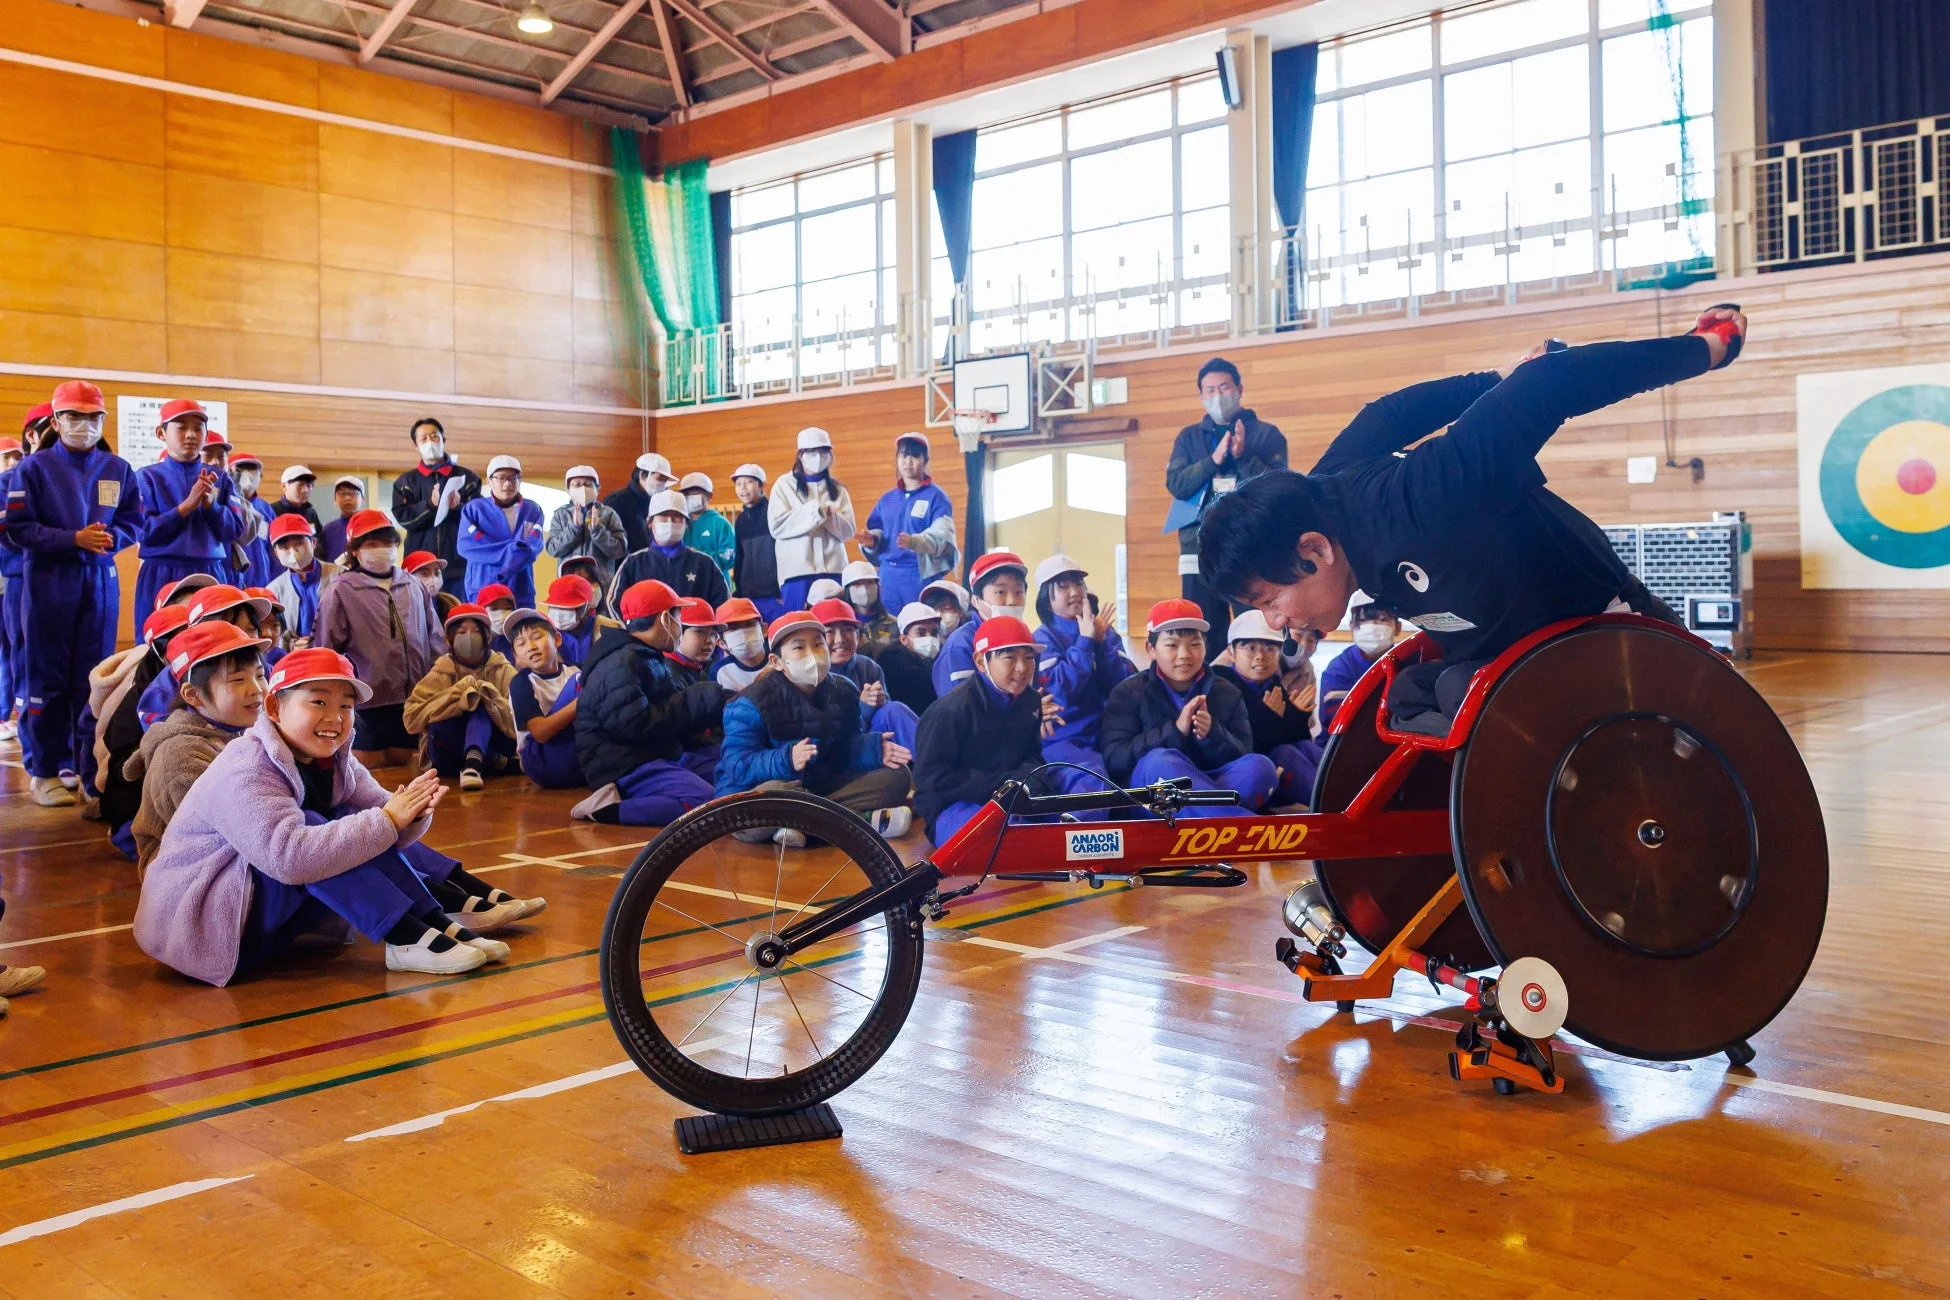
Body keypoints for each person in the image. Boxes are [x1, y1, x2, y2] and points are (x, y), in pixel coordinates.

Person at [1199, 309, 1749, 734]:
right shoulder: (1321, 492)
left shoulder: (1425, 495)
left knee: (1462, 691)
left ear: (1315, 551)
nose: (1273, 621)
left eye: (1268, 600)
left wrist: (1706, 348)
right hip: (1500, 653)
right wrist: (1494, 380)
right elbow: (1384, 416)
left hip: (1599, 626)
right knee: (1405, 695)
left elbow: (1552, 382)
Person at [133, 648, 504, 983]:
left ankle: (431, 920)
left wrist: (412, 813)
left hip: (258, 906)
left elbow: (383, 819)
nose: (335, 717)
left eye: (345, 706)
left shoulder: (334, 758)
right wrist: (388, 820)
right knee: (318, 827)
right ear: (275, 708)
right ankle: (406, 936)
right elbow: (290, 857)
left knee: (353, 819)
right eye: (318, 702)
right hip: (204, 922)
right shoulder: (246, 766)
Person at [6, 381, 143, 807]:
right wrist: (72, 539)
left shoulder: (117, 468)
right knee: (46, 677)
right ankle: (44, 770)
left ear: (103, 420)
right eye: (74, 416)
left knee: (93, 680)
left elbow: (134, 521)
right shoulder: (34, 468)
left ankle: (86, 769)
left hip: (100, 582)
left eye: (92, 416)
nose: (84, 424)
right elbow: (18, 528)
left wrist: (111, 539)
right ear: (56, 420)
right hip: (48, 580)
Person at [714, 610, 913, 845]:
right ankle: (862, 822)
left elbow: (841, 750)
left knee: (898, 776)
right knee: (780, 793)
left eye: (818, 644)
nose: (813, 654)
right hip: (754, 796)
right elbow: (737, 764)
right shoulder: (749, 702)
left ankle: (802, 824)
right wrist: (786, 759)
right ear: (777, 661)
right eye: (799, 647)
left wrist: (873, 749)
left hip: (817, 786)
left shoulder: (844, 690)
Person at [914, 616, 1098, 845]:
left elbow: (1032, 755)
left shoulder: (1030, 701)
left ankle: (1071, 837)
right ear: (981, 662)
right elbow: (933, 782)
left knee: (1088, 780)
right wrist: (1008, 784)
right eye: (1010, 657)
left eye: (1029, 658)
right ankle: (1047, 840)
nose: (1022, 668)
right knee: (1003, 832)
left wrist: (1033, 779)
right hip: (957, 805)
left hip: (1015, 792)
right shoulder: (949, 711)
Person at [1098, 599, 1276, 816]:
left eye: (1194, 644)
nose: (1184, 654)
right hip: (1151, 794)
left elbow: (1243, 753)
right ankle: (1238, 825)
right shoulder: (1127, 693)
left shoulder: (1226, 691)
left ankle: (1201, 815)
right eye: (1172, 645)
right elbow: (1115, 759)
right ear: (1151, 649)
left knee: (1261, 767)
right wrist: (1175, 731)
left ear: (1205, 647)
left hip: (1209, 782)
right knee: (1159, 763)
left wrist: (1212, 734)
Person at [571, 579, 725, 826]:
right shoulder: (619, 662)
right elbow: (632, 725)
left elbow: (671, 714)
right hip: (624, 766)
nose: (679, 626)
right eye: (678, 617)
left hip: (655, 754)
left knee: (731, 766)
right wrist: (695, 699)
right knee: (704, 800)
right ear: (665, 618)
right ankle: (609, 809)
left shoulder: (646, 656)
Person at [127, 619, 268, 874]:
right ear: (192, 695)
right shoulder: (181, 756)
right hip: (185, 874)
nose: (256, 689)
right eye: (238, 680)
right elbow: (227, 831)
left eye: (259, 675)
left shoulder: (238, 729)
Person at [1165, 357, 1289, 641]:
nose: (1218, 396)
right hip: (1198, 547)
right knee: (1203, 628)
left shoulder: (1267, 434)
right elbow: (1177, 484)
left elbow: (1279, 488)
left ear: (1239, 389)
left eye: (1224, 388)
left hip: (1250, 545)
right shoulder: (1188, 438)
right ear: (1201, 395)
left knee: (1255, 628)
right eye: (1210, 390)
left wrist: (1243, 457)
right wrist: (1213, 460)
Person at [314, 509, 446, 770]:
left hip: (415, 697)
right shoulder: (341, 590)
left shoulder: (413, 585)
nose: (382, 550)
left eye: (387, 542)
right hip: (367, 701)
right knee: (368, 767)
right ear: (355, 551)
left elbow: (435, 638)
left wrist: (439, 680)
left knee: (408, 765)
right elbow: (326, 648)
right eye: (372, 544)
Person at [132, 399, 248, 631]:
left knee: (215, 640)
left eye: (197, 428)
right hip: (161, 571)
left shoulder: (220, 478)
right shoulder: (146, 477)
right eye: (182, 427)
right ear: (161, 433)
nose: (191, 435)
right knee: (157, 642)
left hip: (210, 571)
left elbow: (235, 530)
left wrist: (211, 506)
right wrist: (185, 507)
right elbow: (142, 532)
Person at [1031, 554, 1132, 782]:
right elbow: (1059, 693)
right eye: (1063, 586)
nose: (1074, 592)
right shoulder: (1040, 640)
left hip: (1108, 732)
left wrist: (1102, 643)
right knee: (1094, 783)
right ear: (1046, 598)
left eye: (1078, 584)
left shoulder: (1104, 631)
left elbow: (1122, 687)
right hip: (1065, 739)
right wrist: (1085, 643)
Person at [404, 603, 517, 791]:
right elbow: (411, 719)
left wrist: (490, 697)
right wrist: (455, 698)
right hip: (447, 755)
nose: (469, 637)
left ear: (488, 637)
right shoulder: (440, 672)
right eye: (462, 632)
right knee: (458, 708)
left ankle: (473, 764)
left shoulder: (503, 669)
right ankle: (494, 761)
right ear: (449, 640)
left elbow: (520, 719)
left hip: (496, 743)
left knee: (479, 702)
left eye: (476, 631)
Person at [1213, 609, 1319, 808]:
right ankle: (1333, 803)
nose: (1260, 656)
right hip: (1242, 775)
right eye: (1250, 648)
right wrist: (1269, 718)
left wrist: (1297, 715)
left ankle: (1350, 793)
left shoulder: (1272, 684)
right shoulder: (1220, 685)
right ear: (1231, 653)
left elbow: (1294, 738)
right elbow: (1236, 748)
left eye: (1270, 648)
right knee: (1284, 753)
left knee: (1305, 747)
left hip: (1275, 773)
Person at [861, 432, 957, 613]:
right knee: (887, 627)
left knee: (922, 624)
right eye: (903, 456)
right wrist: (872, 541)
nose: (908, 462)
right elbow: (878, 533)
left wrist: (915, 542)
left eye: (914, 456)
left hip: (921, 574)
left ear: (925, 460)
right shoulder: (886, 499)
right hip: (888, 576)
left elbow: (943, 536)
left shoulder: (936, 497)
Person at [813, 597, 920, 755]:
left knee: (893, 710)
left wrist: (878, 702)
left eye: (848, 630)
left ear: (858, 636)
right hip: (839, 750)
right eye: (829, 632)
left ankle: (935, 759)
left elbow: (886, 718)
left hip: (873, 737)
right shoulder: (812, 675)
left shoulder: (868, 667)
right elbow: (830, 735)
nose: (840, 639)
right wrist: (862, 708)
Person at [390, 417, 480, 598]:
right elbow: (404, 518)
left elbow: (479, 516)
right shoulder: (405, 482)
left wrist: (458, 507)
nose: (429, 442)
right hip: (419, 566)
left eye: (434, 436)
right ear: (415, 446)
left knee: (458, 611)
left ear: (443, 440)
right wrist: (430, 505)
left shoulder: (468, 478)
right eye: (423, 438)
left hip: (459, 565)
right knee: (418, 611)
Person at [769, 427, 855, 611]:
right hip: (797, 573)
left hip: (834, 570)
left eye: (823, 452)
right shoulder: (784, 485)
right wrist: (816, 512)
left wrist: (831, 518)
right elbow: (777, 526)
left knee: (835, 620)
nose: (818, 457)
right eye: (811, 452)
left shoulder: (838, 489)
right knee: (800, 621)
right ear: (800, 455)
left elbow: (848, 531)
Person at [606, 489, 730, 616]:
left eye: (677, 517)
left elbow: (724, 608)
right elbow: (614, 604)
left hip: (693, 629)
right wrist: (633, 628)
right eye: (663, 516)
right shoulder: (633, 564)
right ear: (650, 522)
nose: (670, 522)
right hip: (643, 629)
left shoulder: (705, 564)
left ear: (686, 524)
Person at [932, 551, 1029, 697]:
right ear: (976, 600)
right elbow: (960, 706)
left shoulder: (1025, 639)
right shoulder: (961, 646)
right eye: (1000, 592)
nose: (1011, 601)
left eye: (1019, 592)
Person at [506, 607, 583, 789]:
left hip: (576, 745)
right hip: (540, 758)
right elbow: (540, 733)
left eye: (537, 637)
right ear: (516, 656)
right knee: (581, 681)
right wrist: (581, 703)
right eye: (521, 643)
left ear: (556, 639)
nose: (531, 647)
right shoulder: (521, 683)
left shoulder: (576, 669)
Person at [456, 455, 544, 608]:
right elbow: (467, 546)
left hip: (521, 588)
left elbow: (533, 548)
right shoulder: (474, 509)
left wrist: (512, 555)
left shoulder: (532, 510)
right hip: (483, 586)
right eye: (501, 478)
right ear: (489, 481)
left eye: (513, 478)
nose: (508, 483)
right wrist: (512, 550)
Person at [1316, 604, 1399, 732]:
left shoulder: (1410, 660)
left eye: (1382, 619)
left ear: (1397, 627)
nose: (1372, 627)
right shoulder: (1339, 668)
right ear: (1352, 628)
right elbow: (1340, 719)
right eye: (1363, 620)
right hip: (1344, 742)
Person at [544, 464, 628, 589]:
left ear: (597, 488)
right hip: (568, 584)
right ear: (568, 489)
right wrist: (573, 528)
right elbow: (552, 549)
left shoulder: (609, 514)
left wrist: (598, 531)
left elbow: (619, 551)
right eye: (577, 485)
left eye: (588, 485)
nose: (583, 489)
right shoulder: (560, 514)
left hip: (601, 585)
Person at [266, 513, 339, 650]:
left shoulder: (340, 575)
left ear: (313, 543)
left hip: (339, 656)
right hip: (298, 659)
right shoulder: (273, 591)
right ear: (276, 553)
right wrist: (290, 645)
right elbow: (270, 633)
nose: (293, 552)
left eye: (299, 543)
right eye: (284, 547)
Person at [728, 463, 784, 621]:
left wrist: (781, 590)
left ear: (761, 486)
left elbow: (785, 554)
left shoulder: (774, 513)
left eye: (749, 482)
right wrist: (740, 592)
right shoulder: (741, 520)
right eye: (739, 484)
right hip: (749, 598)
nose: (743, 488)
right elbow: (740, 559)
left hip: (774, 596)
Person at [604, 451, 674, 557]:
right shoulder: (616, 501)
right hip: (625, 563)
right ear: (642, 475)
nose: (663, 484)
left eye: (666, 480)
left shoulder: (661, 503)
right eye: (660, 479)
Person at [878, 602, 941, 715]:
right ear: (903, 639)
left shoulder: (940, 658)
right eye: (921, 633)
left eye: (934, 633)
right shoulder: (892, 662)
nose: (929, 638)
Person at [228, 449, 279, 587]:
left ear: (260, 475)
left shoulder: (265, 509)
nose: (247, 475)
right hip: (232, 581)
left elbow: (274, 548)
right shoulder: (226, 503)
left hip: (263, 583)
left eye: (252, 470)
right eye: (240, 470)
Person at [679, 472, 737, 586]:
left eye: (696, 492)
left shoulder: (720, 523)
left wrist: (697, 557)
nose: (691, 496)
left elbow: (729, 557)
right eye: (687, 493)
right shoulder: (679, 522)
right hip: (686, 585)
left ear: (710, 496)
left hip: (715, 584)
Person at [542, 574, 610, 667]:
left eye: (568, 608)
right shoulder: (545, 634)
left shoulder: (605, 627)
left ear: (586, 607)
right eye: (554, 607)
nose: (559, 614)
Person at [839, 559, 899, 656]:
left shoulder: (894, 623)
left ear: (878, 587)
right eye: (857, 584)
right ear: (846, 590)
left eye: (869, 582)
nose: (864, 589)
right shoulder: (840, 626)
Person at [712, 596, 770, 692]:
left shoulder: (782, 656)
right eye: (733, 628)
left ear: (764, 629)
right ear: (721, 643)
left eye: (749, 624)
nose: (743, 633)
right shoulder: (720, 671)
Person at [319, 475, 365, 561]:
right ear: (335, 499)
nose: (347, 498)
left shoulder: (371, 527)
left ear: (363, 499)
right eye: (342, 494)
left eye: (353, 493)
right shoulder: (328, 530)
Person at [274, 465, 323, 535]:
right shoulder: (272, 511)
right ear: (284, 486)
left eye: (309, 486)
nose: (305, 490)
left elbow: (319, 538)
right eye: (300, 485)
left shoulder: (311, 513)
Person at [474, 582, 519, 658]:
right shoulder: (475, 643)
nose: (501, 614)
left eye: (507, 608)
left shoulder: (517, 638)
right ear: (481, 611)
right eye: (494, 609)